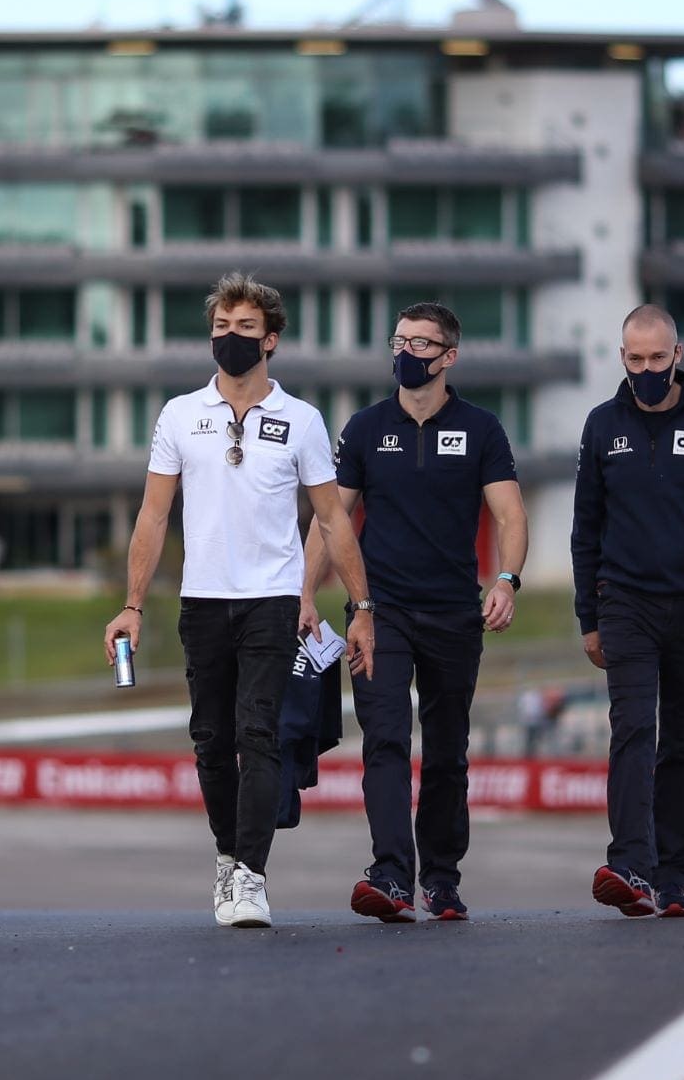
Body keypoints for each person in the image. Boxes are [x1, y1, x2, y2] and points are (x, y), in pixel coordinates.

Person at [104, 273, 376, 929]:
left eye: (245, 329)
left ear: (271, 339)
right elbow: (151, 515)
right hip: (202, 601)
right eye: (221, 329)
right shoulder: (179, 414)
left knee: (259, 734)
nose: (230, 339)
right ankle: (228, 856)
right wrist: (133, 604)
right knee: (210, 739)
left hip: (272, 601)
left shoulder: (303, 419)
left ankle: (251, 876)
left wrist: (362, 607)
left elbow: (334, 520)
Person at [301, 302, 526, 923]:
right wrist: (305, 594)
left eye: (422, 345)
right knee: (386, 740)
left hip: (456, 612)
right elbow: (331, 518)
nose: (407, 353)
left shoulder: (481, 429)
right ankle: (392, 874)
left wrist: (507, 580)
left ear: (448, 356)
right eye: (399, 341)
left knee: (449, 749)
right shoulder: (366, 428)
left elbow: (509, 515)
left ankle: (443, 878)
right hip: (378, 611)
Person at [571, 304, 684, 920]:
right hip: (624, 603)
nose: (646, 369)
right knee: (630, 729)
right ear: (622, 358)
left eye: (657, 358)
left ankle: (672, 877)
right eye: (635, 359)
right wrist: (586, 617)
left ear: (678, 355)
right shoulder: (602, 426)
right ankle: (628, 865)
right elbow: (584, 528)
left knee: (681, 741)